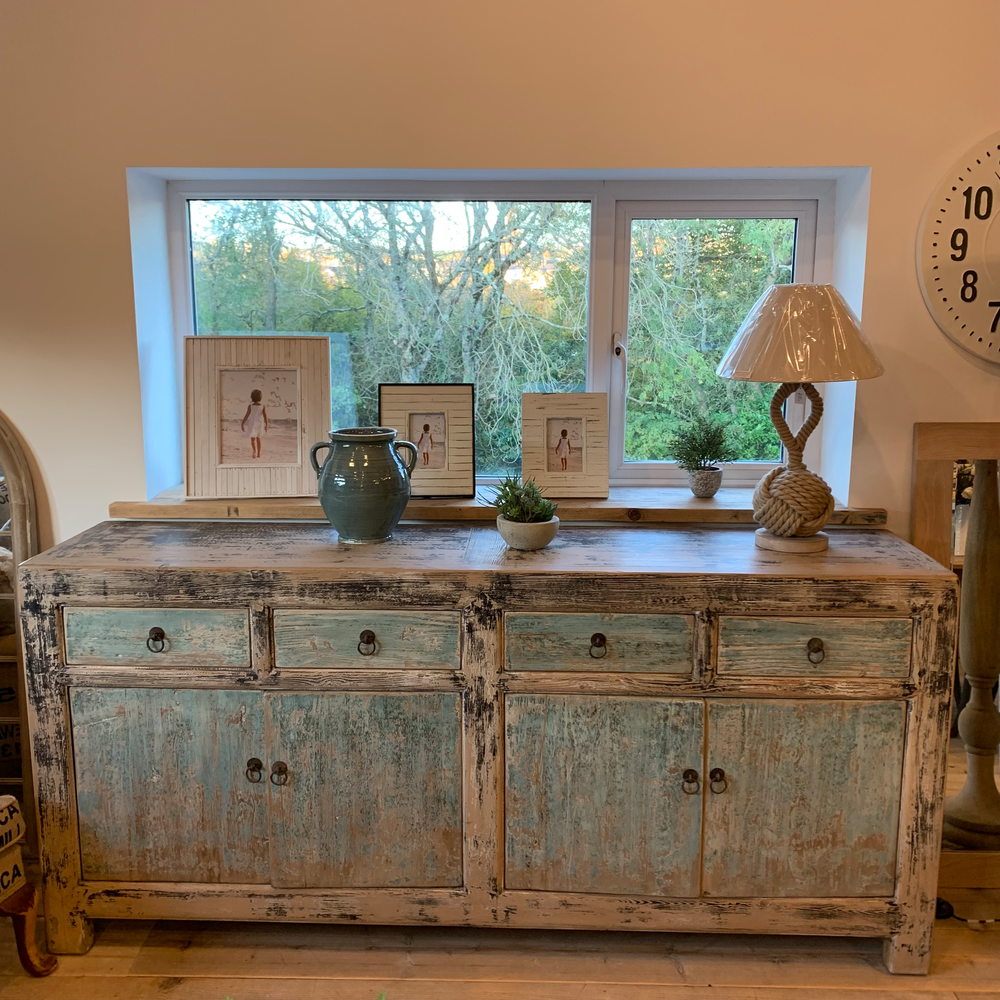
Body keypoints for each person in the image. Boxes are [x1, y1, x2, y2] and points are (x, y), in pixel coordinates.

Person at [240, 388, 269, 459]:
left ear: (252, 397)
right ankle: (258, 453)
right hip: (259, 424)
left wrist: (242, 423)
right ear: (260, 397)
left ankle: (254, 451)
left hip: (252, 424)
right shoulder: (262, 406)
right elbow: (265, 417)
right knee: (258, 439)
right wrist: (266, 425)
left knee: (252, 439)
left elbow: (246, 415)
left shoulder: (250, 406)